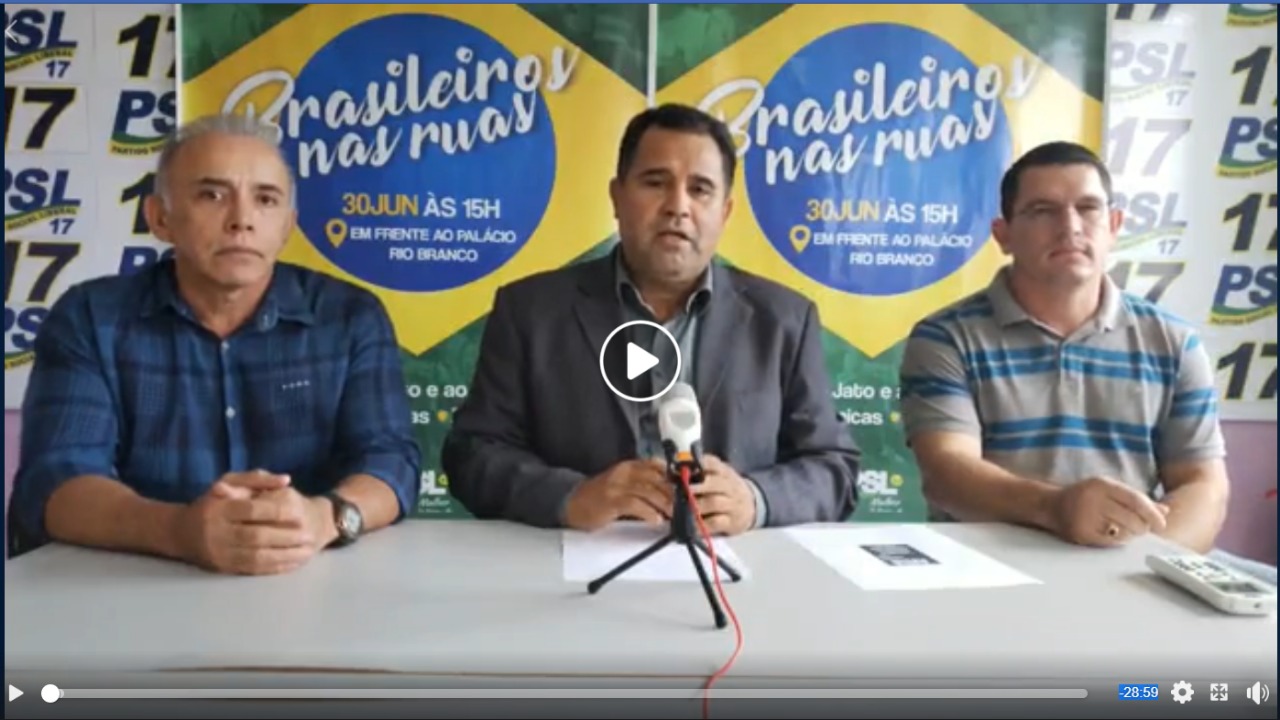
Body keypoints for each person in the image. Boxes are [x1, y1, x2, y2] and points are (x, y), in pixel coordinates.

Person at [7, 113, 421, 574]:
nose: (242, 220)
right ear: (160, 218)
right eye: (212, 195)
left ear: (287, 225)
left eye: (266, 200)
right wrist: (180, 531)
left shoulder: (349, 317)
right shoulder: (90, 318)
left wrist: (324, 519)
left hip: (307, 580)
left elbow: (391, 460)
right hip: (132, 586)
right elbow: (55, 481)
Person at [442, 103, 860, 534]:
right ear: (617, 197)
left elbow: (834, 467)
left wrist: (755, 500)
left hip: (727, 565)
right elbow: (472, 454)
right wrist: (570, 497)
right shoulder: (530, 311)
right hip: (574, 563)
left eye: (700, 190)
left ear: (725, 212)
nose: (678, 206)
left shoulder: (784, 320)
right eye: (656, 183)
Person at [899, 141, 1230, 555]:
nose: (1070, 227)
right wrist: (1057, 509)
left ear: (1114, 226)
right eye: (1042, 211)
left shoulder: (1174, 342)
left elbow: (1204, 486)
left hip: (1130, 566)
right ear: (1003, 235)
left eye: (1088, 208)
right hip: (987, 568)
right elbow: (948, 473)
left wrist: (1140, 566)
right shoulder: (946, 337)